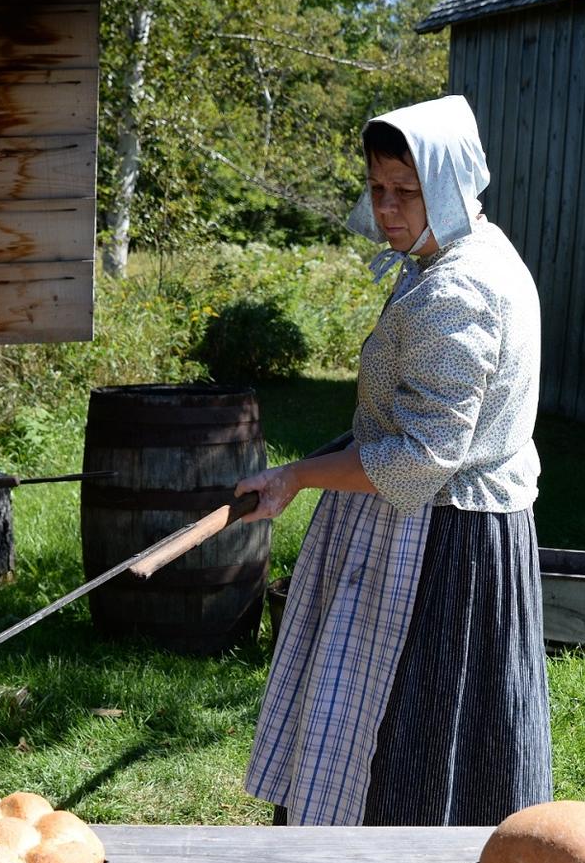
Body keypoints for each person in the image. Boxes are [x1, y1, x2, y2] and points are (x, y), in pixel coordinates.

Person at [234, 95, 550, 826]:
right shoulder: (467, 249)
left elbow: (419, 461)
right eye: (377, 189)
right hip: (432, 523)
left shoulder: (460, 290)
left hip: (439, 542)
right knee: (406, 724)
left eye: (405, 192)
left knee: (407, 729)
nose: (386, 208)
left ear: (450, 184)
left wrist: (298, 475)